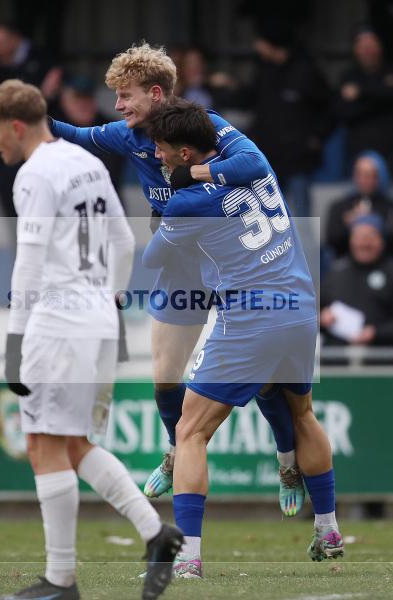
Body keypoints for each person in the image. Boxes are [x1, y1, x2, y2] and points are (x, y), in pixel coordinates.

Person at [48, 43, 307, 522]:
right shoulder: (128, 135)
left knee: (269, 380)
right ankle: (175, 450)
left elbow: (253, 166)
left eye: (125, 96)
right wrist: (25, 113)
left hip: (233, 266)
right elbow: (75, 134)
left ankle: (287, 462)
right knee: (165, 376)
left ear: (154, 93)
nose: (119, 106)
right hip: (182, 265)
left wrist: (192, 174)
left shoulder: (205, 125)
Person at [0, 80, 182, 600]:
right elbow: (122, 239)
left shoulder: (34, 174)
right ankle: (157, 533)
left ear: (16, 126)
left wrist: (13, 344)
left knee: (43, 444)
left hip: (57, 320)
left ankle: (61, 581)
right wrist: (109, 304)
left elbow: (28, 260)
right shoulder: (86, 163)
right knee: (74, 444)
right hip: (95, 319)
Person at [143, 100, 344, 576]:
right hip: (298, 306)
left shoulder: (189, 202)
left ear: (187, 152)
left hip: (250, 317)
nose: (156, 154)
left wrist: (171, 209)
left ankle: (188, 558)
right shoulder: (251, 157)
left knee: (190, 433)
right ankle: (329, 530)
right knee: (304, 414)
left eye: (164, 149)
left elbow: (153, 257)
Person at [210, 21, 334, 218]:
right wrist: (226, 88)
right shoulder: (265, 71)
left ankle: (303, 250)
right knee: (270, 214)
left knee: (301, 215)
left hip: (298, 159)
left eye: (261, 42)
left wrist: (317, 137)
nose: (257, 47)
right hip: (269, 157)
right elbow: (248, 99)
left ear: (272, 44)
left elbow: (329, 107)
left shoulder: (306, 72)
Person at [0, 22, 62, 222]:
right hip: (10, 152)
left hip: (42, 144)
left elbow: (49, 95)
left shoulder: (43, 58)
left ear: (15, 39)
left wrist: (3, 101)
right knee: (14, 213)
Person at [335, 25, 393, 182]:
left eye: (371, 44)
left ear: (381, 46)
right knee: (358, 206)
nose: (367, 50)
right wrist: (382, 93)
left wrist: (361, 93)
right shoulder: (348, 76)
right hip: (360, 158)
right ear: (355, 49)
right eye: (362, 45)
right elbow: (343, 111)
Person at [320, 214, 393, 349]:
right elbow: (312, 312)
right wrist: (321, 318)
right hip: (336, 360)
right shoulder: (336, 272)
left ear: (382, 240)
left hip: (379, 361)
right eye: (359, 237)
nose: (364, 243)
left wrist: (376, 333)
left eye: (370, 237)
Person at [49, 75, 124, 195]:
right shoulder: (50, 129)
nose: (84, 104)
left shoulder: (110, 128)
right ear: (63, 100)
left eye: (88, 97)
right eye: (77, 98)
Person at [326, 152, 393, 258]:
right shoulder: (339, 207)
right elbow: (332, 240)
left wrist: (370, 221)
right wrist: (348, 225)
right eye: (360, 174)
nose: (364, 180)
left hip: (384, 266)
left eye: (370, 175)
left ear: (380, 177)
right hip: (347, 267)